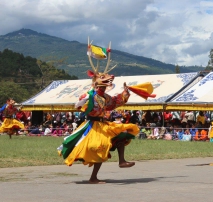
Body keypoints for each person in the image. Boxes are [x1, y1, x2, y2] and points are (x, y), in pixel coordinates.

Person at [57, 42, 155, 184]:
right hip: (92, 126)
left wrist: (125, 93)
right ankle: (93, 177)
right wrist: (84, 100)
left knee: (121, 134)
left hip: (103, 125)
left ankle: (121, 161)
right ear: (96, 81)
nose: (108, 80)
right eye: (102, 78)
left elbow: (115, 102)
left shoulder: (105, 97)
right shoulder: (90, 95)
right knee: (100, 147)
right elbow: (78, 105)